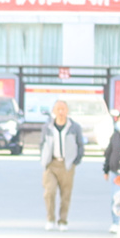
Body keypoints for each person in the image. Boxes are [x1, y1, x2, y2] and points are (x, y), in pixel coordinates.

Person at [40, 97, 84, 227]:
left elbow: (80, 145)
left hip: (67, 164)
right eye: (58, 109)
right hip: (52, 164)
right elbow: (42, 144)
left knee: (65, 195)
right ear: (54, 111)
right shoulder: (48, 127)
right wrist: (44, 159)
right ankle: (50, 219)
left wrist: (75, 161)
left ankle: (63, 220)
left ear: (67, 111)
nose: (60, 112)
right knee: (49, 192)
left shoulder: (74, 127)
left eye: (63, 109)